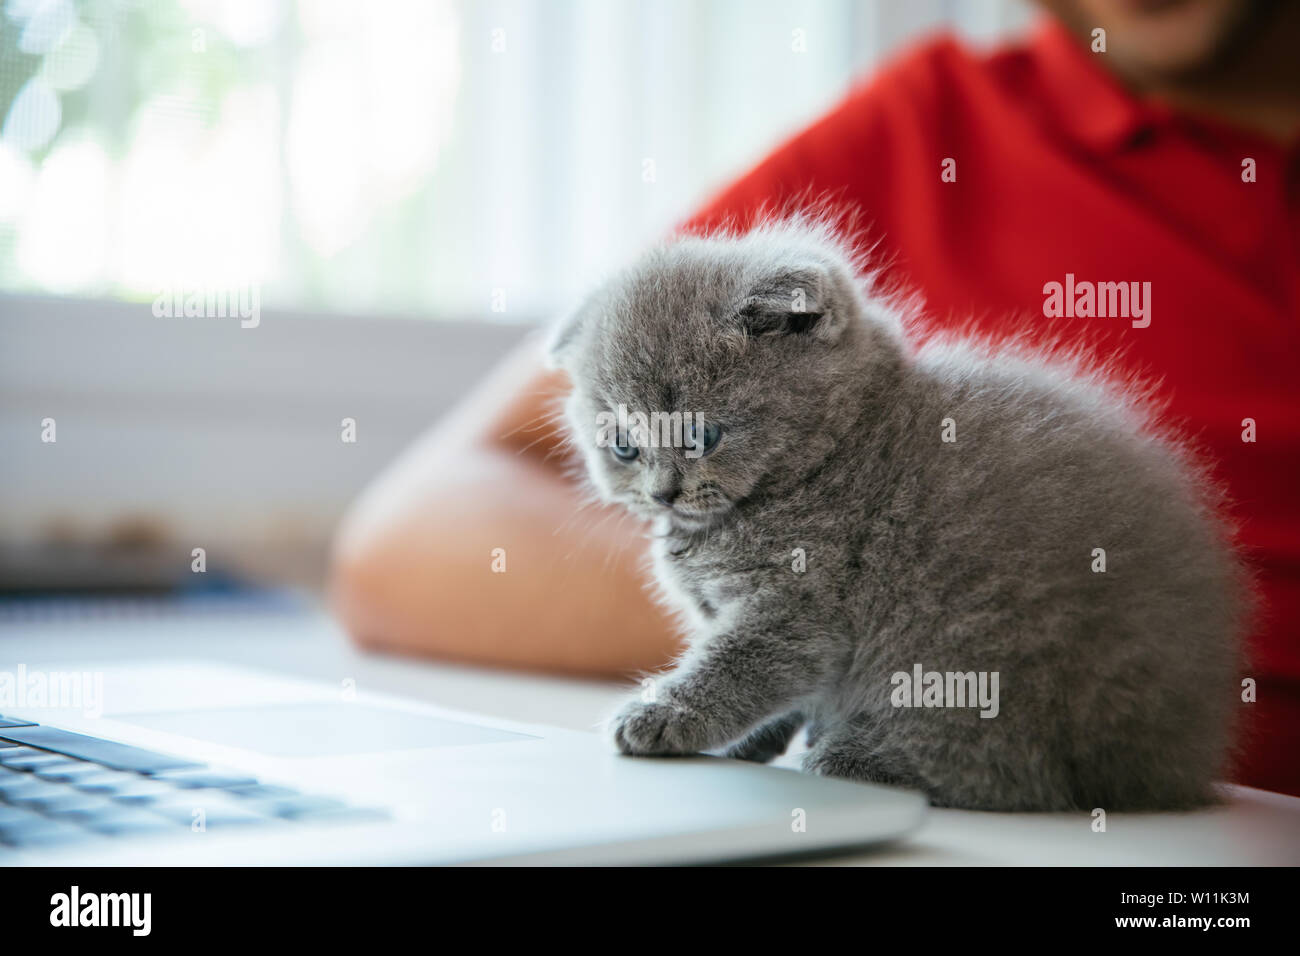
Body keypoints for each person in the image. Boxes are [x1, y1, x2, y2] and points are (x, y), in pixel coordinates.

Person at [329, 0, 1300, 796]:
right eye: (629, 448)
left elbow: (810, 606)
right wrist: (800, 642)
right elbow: (403, 543)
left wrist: (801, 629)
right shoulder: (926, 125)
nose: (662, 478)